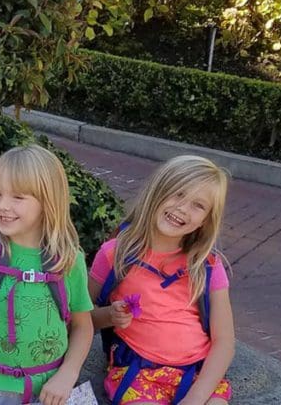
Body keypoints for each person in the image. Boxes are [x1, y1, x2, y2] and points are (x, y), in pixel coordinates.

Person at [0, 145, 94, 405]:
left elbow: (83, 326)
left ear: (48, 201)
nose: (3, 205)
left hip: (50, 388)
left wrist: (68, 374)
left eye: (18, 197)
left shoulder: (68, 259)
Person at [89, 155, 234, 405]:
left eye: (198, 205)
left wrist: (197, 397)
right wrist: (109, 316)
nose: (182, 209)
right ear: (157, 190)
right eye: (177, 194)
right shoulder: (115, 253)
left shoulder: (206, 265)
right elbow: (80, 317)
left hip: (197, 374)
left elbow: (225, 341)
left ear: (206, 221)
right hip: (137, 373)